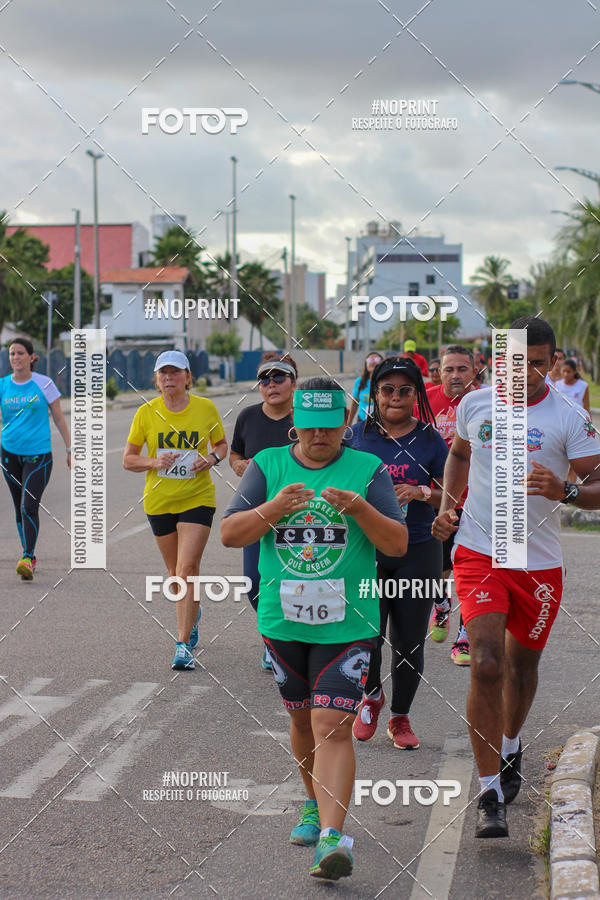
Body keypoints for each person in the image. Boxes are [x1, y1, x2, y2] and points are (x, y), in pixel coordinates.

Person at [221, 378, 407, 880]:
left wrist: (361, 509)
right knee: (303, 723)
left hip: (351, 621)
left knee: (332, 725)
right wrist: (274, 509)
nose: (320, 435)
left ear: (345, 423)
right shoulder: (267, 467)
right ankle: (311, 802)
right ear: (295, 424)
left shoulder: (367, 470)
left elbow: (396, 545)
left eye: (330, 425)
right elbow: (230, 533)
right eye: (311, 426)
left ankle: (333, 838)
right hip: (283, 619)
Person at [432, 317, 600, 839]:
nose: (523, 371)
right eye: (513, 360)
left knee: (522, 666)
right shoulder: (476, 404)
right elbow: (459, 453)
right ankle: (488, 793)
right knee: (485, 662)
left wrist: (566, 492)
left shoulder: (570, 414)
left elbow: (597, 484)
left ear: (552, 362)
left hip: (539, 561)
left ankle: (508, 744)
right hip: (480, 551)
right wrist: (449, 507)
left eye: (536, 361)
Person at [349, 357, 448, 750]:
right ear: (375, 394)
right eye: (387, 390)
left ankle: (400, 718)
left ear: (416, 394)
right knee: (367, 634)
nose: (395, 397)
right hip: (365, 549)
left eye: (405, 390)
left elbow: (453, 492)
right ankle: (371, 696)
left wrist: (421, 491)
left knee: (409, 642)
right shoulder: (356, 436)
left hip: (419, 549)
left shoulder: (430, 439)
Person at [123, 350, 227, 670]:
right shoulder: (146, 413)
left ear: (187, 377)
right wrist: (154, 462)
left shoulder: (205, 408)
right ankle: (192, 613)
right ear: (156, 379)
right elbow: (128, 459)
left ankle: (182, 645)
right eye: (163, 374)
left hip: (197, 497)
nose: (169, 378)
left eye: (175, 373)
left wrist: (210, 459)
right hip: (159, 501)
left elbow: (221, 445)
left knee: (187, 569)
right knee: (174, 576)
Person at [230, 352, 297, 670]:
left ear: (293, 382)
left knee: (297, 580)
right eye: (264, 379)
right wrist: (238, 464)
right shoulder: (247, 417)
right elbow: (235, 454)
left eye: (279, 377)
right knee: (255, 582)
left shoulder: (304, 417)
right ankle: (273, 639)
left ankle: (290, 641)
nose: (271, 384)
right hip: (258, 515)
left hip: (300, 515)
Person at [426, 345, 485, 665]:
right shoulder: (426, 400)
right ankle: (440, 603)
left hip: (477, 501)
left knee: (469, 568)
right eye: (449, 369)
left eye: (463, 369)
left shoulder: (486, 403)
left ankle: (464, 637)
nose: (455, 375)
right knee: (440, 568)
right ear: (440, 372)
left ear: (474, 372)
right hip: (437, 501)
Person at [0, 337, 71, 579]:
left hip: (39, 455)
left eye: (20, 353)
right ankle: (27, 553)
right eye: (12, 354)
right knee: (18, 508)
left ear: (31, 357)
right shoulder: (3, 386)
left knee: (28, 505)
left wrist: (70, 449)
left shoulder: (45, 384)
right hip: (8, 453)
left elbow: (59, 418)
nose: (15, 357)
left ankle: (28, 557)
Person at [347, 352, 384, 425]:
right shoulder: (359, 381)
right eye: (370, 360)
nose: (373, 362)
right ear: (366, 364)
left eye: (376, 359)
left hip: (380, 423)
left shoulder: (386, 382)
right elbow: (354, 404)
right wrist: (349, 424)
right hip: (361, 421)